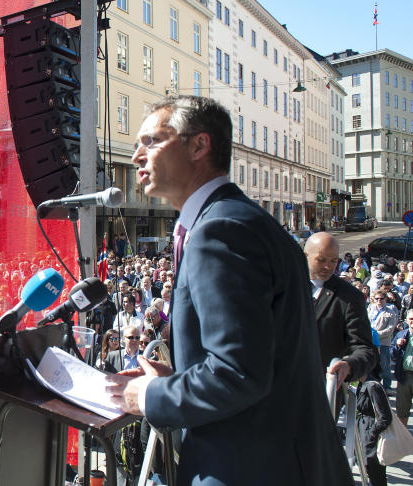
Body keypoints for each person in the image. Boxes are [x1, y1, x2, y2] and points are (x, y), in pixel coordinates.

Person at [107, 95, 350, 484]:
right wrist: (177, 377)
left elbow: (238, 374)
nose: (137, 155)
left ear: (199, 145)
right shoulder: (241, 219)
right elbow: (262, 359)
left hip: (249, 468)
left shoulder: (218, 231)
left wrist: (149, 397)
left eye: (151, 141)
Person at [304, 232, 377, 395]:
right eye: (321, 260)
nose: (328, 266)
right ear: (305, 256)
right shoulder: (283, 287)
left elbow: (365, 349)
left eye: (333, 261)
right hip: (277, 392)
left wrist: (349, 365)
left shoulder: (350, 297)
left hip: (321, 394)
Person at [356, 378, 392, 486]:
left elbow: (385, 417)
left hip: (372, 440)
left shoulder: (373, 386)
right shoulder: (360, 384)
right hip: (364, 434)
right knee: (369, 473)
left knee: (376, 476)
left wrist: (372, 433)